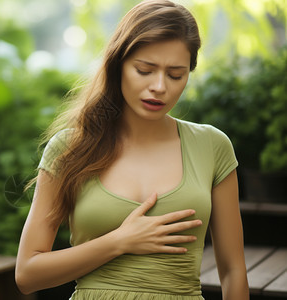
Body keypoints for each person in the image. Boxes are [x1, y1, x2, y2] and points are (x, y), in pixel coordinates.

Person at [15, 0, 249, 299]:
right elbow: (27, 274)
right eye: (144, 70)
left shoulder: (212, 146)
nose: (160, 86)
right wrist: (119, 242)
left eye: (176, 75)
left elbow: (233, 271)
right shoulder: (69, 148)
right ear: (118, 65)